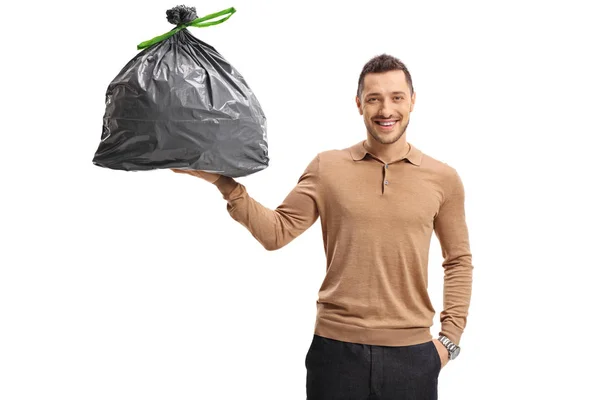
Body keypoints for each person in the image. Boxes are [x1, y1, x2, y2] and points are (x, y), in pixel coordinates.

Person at [172, 54, 474, 400]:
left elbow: (458, 261)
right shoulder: (328, 167)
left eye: (396, 97)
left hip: (413, 356)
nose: (385, 110)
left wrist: (449, 340)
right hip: (336, 354)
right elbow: (277, 232)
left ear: (413, 101)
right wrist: (224, 183)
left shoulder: (443, 178)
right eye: (374, 98)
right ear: (359, 104)